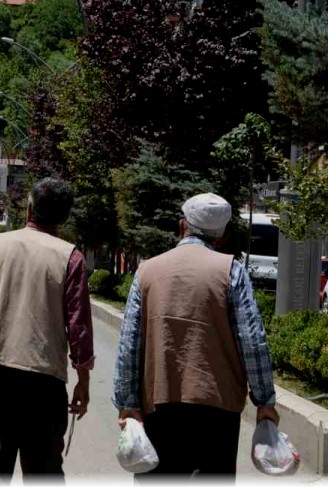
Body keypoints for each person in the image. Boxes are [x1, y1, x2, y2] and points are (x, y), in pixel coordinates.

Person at [112, 193, 279, 480]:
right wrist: (264, 400)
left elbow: (130, 343)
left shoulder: (146, 271)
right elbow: (252, 341)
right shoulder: (232, 272)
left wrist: (128, 402)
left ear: (181, 227)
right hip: (217, 409)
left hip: (158, 405)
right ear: (222, 236)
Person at [0, 177, 94, 479]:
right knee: (42, 471)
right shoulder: (71, 257)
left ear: (29, 209)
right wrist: (83, 381)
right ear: (64, 217)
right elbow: (79, 328)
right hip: (44, 380)